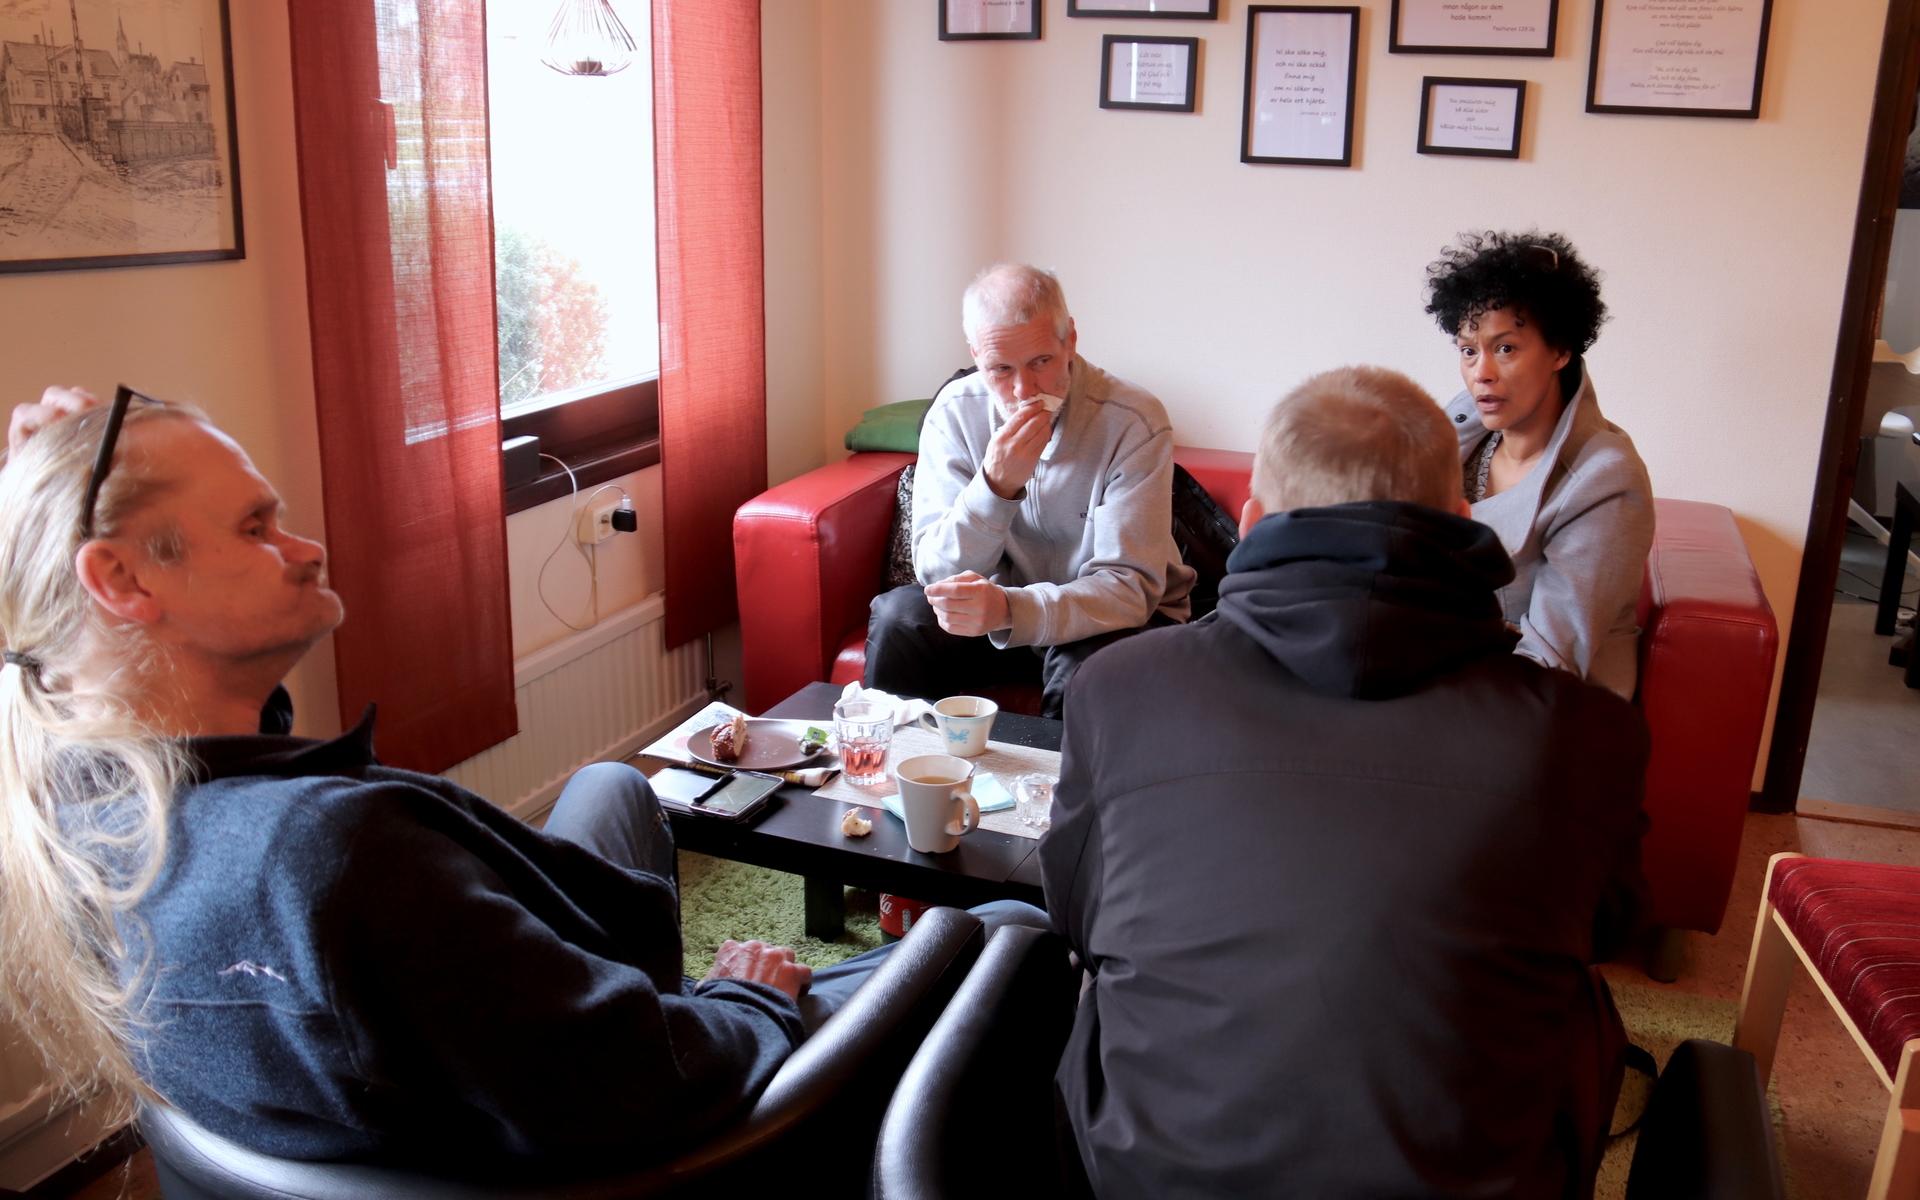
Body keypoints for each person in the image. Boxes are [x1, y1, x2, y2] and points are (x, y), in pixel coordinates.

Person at [0, 386, 1042, 1166]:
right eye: (255, 527)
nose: (307, 547)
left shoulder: (78, 803)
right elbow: (637, 1088)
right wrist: (744, 1001)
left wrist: (64, 502)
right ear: (123, 580)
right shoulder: (336, 859)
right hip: (651, 1124)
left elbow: (222, 743)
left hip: (478, 1066)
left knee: (610, 789)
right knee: (1007, 938)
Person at [1040, 366, 1649, 1199]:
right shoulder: (1584, 733)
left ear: (1252, 521)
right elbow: (1607, 928)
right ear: (1465, 524)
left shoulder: (1117, 689)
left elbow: (1076, 915)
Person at [864, 263, 1195, 718]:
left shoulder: (1132, 420)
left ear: (1070, 340)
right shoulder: (955, 414)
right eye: (1000, 369)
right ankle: (898, 779)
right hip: (998, 613)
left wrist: (1010, 610)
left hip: (1108, 620)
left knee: (1085, 666)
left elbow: (1128, 588)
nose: (1024, 390)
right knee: (900, 619)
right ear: (976, 355)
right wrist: (995, 486)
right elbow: (937, 573)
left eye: (1041, 362)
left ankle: (1058, 791)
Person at [1427, 230, 1654, 699]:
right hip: (1450, 673)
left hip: (1550, 706)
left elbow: (1551, 659)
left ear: (1560, 351)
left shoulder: (1605, 477)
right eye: (1468, 350)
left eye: (1505, 348)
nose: (1481, 372)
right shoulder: (1457, 433)